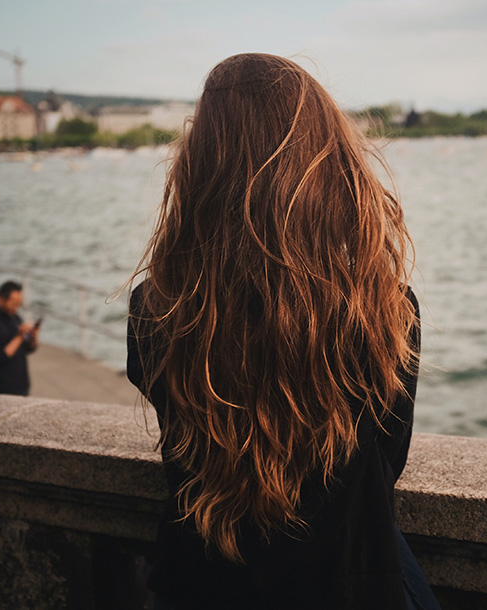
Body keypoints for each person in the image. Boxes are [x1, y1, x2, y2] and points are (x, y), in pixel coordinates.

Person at [125, 53, 438, 610]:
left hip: (198, 589)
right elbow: (386, 463)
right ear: (328, 162)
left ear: (200, 164)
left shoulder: (155, 309)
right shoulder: (386, 311)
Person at [0, 280, 38, 396]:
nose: (16, 308)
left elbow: (28, 349)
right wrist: (19, 337)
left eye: (19, 304)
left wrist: (33, 337)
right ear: (1, 299)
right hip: (1, 389)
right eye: (14, 303)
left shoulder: (15, 318)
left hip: (21, 387)